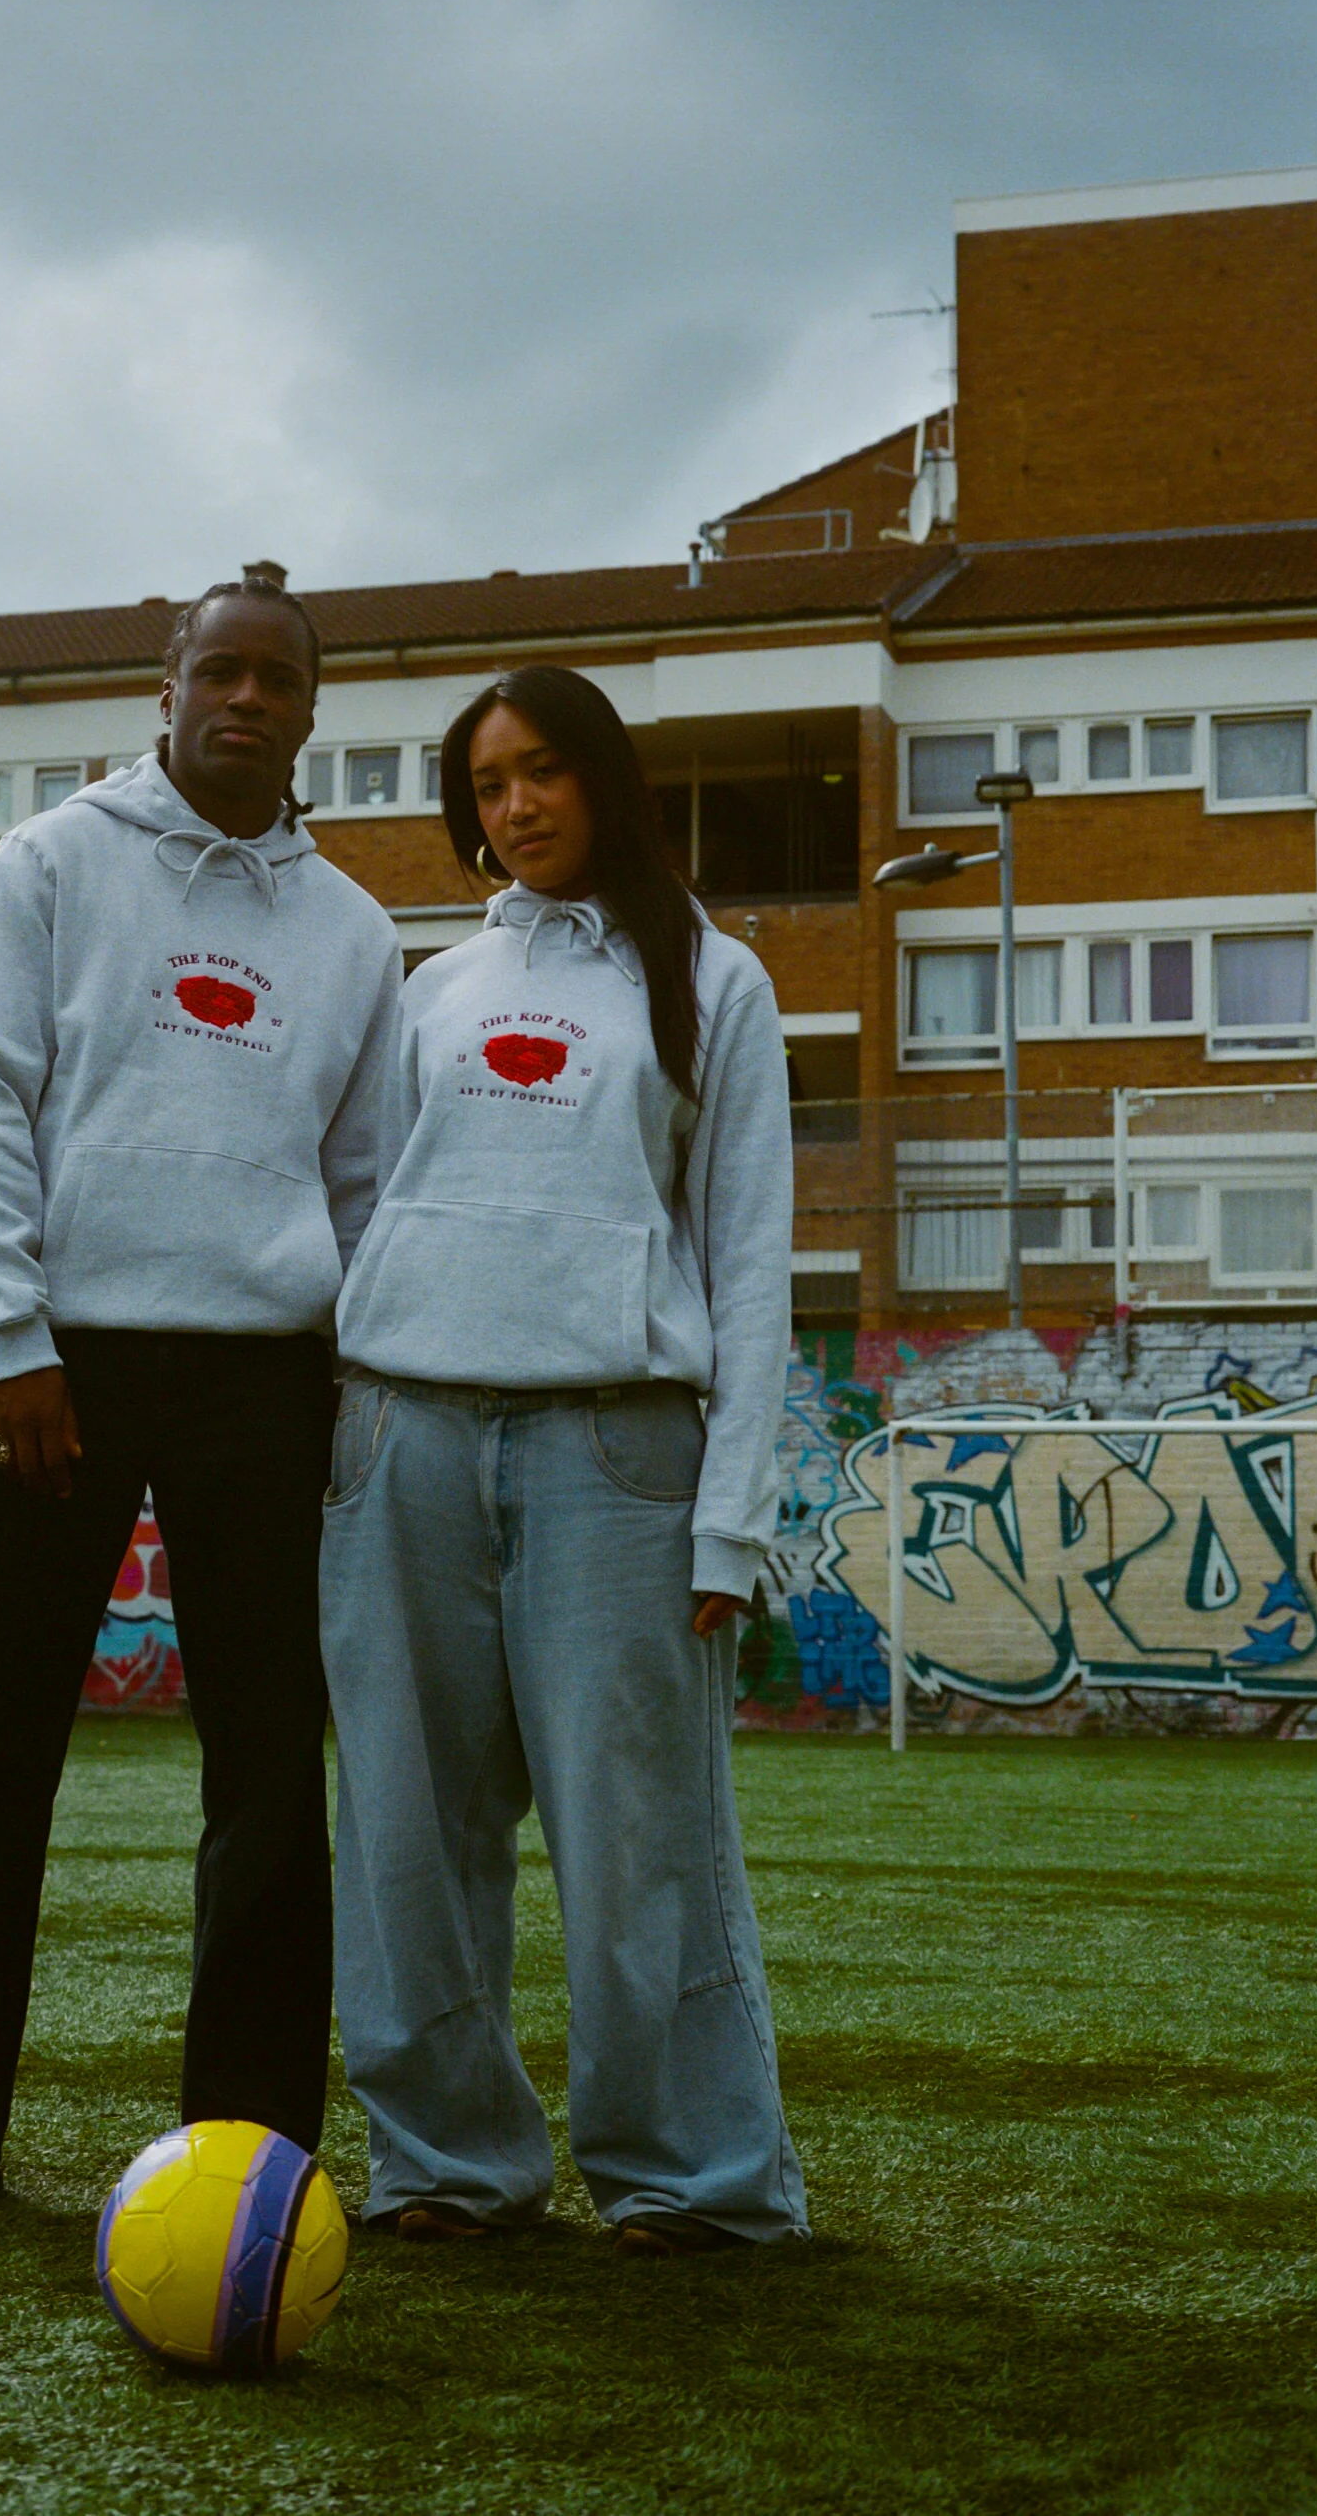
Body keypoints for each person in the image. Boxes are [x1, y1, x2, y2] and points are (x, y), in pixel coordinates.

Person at [0, 577, 404, 2212]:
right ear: (167, 688)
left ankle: (251, 2146)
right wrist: (7, 1336)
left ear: (312, 710)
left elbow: (365, 1182)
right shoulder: (53, 862)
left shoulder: (354, 932)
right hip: (57, 1362)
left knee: (269, 1771)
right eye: (222, 670)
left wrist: (351, 1378)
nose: (248, 699)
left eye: (279, 679)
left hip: (268, 1374)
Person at [318, 663, 808, 2255]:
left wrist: (729, 1520)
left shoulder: (714, 979)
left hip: (619, 1450)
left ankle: (693, 2179)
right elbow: (365, 1203)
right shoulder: (434, 988)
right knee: (405, 1833)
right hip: (401, 1436)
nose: (516, 804)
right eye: (488, 782)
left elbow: (750, 1261)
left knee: (641, 1840)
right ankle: (446, 2163)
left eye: (543, 770)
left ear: (604, 776)